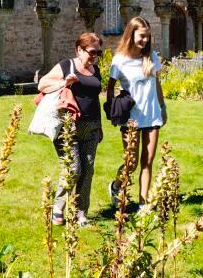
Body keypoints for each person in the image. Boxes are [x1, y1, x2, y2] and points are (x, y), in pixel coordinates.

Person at [36, 32, 104, 227]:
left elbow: (94, 99)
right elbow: (42, 84)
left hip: (91, 127)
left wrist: (99, 126)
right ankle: (58, 207)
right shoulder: (67, 66)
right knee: (73, 168)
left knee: (87, 171)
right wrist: (64, 83)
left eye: (98, 53)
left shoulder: (95, 70)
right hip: (68, 126)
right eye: (92, 52)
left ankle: (81, 213)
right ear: (79, 50)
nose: (95, 56)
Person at [106, 16, 167, 211]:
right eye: (142, 36)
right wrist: (112, 109)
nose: (145, 40)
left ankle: (143, 205)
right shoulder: (119, 60)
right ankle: (116, 186)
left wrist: (162, 107)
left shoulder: (151, 57)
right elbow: (110, 87)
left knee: (147, 162)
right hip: (131, 118)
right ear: (131, 34)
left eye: (147, 36)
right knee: (130, 163)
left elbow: (156, 84)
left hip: (152, 115)